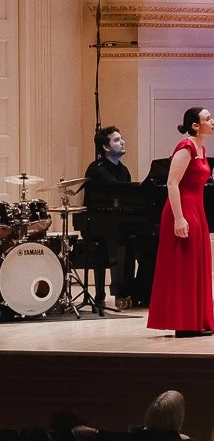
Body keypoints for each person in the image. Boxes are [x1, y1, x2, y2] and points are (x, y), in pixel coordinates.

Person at [150, 107, 214, 337]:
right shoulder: (186, 146)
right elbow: (172, 183)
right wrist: (179, 218)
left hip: (196, 208)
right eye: (208, 118)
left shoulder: (201, 148)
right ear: (195, 126)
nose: (213, 121)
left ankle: (198, 320)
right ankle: (185, 323)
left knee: (196, 265)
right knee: (185, 266)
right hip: (183, 208)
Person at [83, 125, 137, 308]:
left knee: (143, 242)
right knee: (121, 243)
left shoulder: (123, 170)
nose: (122, 142)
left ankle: (139, 290)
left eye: (121, 138)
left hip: (119, 220)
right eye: (116, 140)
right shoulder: (96, 169)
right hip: (98, 221)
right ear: (105, 147)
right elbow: (113, 188)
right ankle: (119, 292)